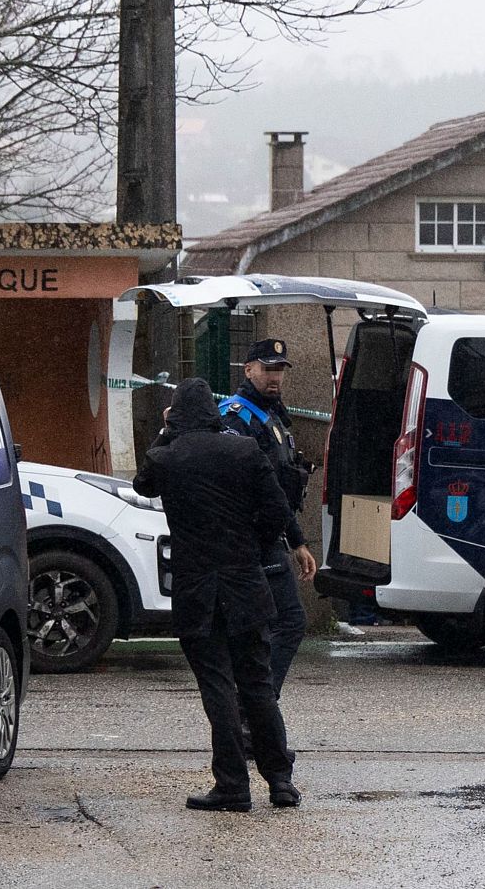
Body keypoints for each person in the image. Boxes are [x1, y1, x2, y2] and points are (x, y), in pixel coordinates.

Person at [133, 378, 300, 811]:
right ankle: (280, 781)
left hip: (197, 590)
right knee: (258, 684)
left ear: (177, 415)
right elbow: (279, 511)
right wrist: (252, 543)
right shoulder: (244, 451)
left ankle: (232, 786)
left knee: (218, 688)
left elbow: (142, 483)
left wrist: (166, 430)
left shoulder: (168, 457)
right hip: (246, 584)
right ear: (214, 412)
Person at [219, 339, 319, 695]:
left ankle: (252, 707)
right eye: (267, 368)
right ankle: (256, 706)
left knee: (268, 627)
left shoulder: (273, 414)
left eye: (279, 369)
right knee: (287, 621)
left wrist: (297, 540)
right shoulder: (237, 416)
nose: (274, 376)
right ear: (248, 370)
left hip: (272, 534)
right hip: (250, 538)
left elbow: (279, 486)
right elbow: (245, 484)